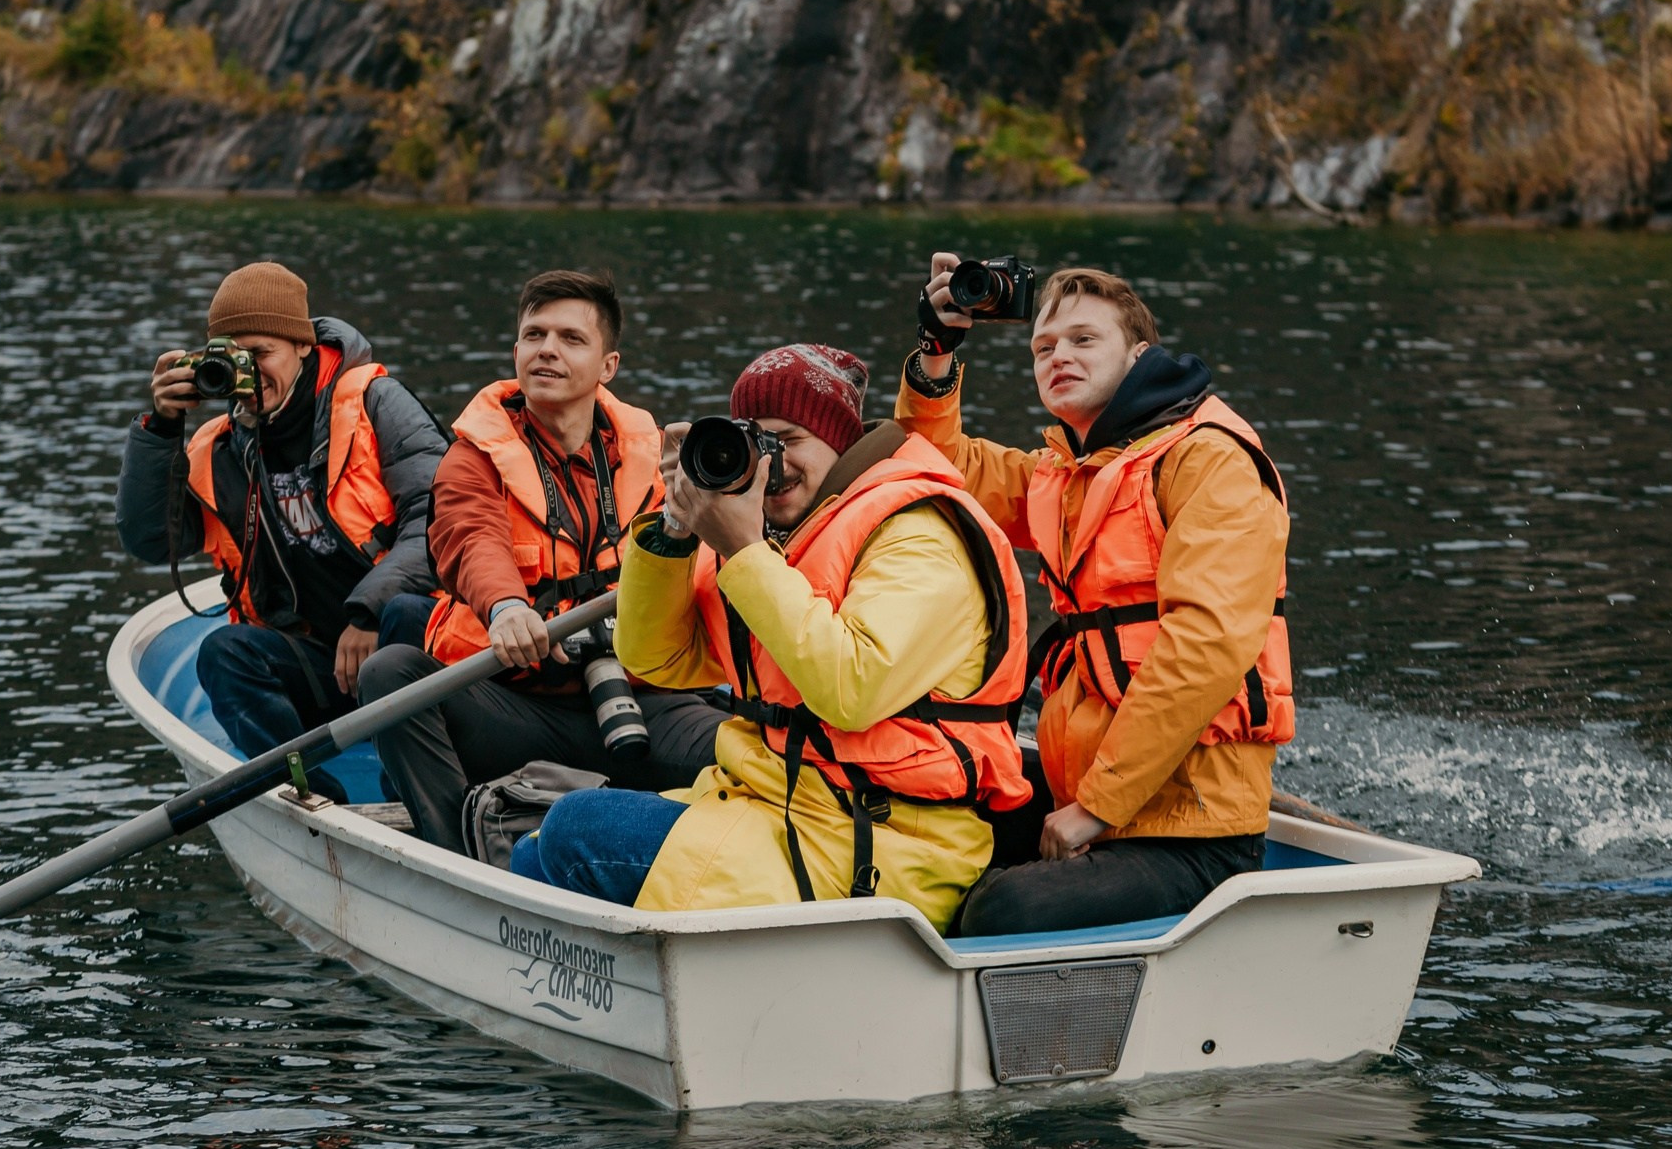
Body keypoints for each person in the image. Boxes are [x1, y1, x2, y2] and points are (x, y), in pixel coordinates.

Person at [513, 344, 1031, 932]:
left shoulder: (920, 534)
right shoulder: (783, 537)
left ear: (842, 442)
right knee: (535, 848)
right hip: (779, 806)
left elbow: (851, 688)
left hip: (881, 840)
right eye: (756, 442)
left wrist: (742, 549)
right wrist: (676, 530)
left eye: (790, 438)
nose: (772, 464)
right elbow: (655, 659)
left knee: (576, 831)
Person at [892, 256, 1292, 937]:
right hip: (1086, 795)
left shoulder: (1209, 460)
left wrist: (1096, 809)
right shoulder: (1069, 472)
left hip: (1192, 830)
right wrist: (938, 350)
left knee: (1004, 908)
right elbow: (935, 465)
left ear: (1140, 353)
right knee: (915, 787)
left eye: (1084, 340)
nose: (1059, 356)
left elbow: (1205, 647)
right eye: (1044, 346)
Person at [359, 270, 724, 850]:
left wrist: (703, 509)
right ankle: (463, 858)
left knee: (752, 749)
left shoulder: (658, 458)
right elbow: (470, 533)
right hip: (522, 708)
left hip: (642, 703)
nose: (547, 350)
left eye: (571, 339)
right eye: (535, 335)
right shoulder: (474, 456)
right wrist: (507, 608)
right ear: (516, 352)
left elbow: (709, 575)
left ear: (608, 366)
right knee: (390, 675)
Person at [116, 262, 446, 802]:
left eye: (261, 353)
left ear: (301, 346)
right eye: (232, 357)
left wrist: (369, 611)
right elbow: (150, 541)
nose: (247, 373)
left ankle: (414, 788)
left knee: (408, 619)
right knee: (224, 653)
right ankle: (314, 799)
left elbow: (439, 518)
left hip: (405, 647)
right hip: (317, 660)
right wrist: (159, 430)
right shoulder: (220, 447)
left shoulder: (375, 404)